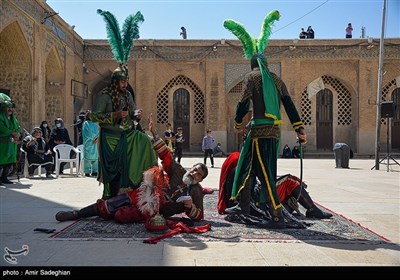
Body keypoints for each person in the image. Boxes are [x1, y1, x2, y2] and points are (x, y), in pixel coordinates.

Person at [223, 10, 307, 229]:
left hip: (258, 132)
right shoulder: (277, 80)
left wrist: (238, 122)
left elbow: (242, 103)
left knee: (265, 173)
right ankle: (242, 205)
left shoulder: (252, 77)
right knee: (247, 168)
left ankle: (276, 214)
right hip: (272, 132)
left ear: (253, 64)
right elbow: (289, 105)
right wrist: (299, 129)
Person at [55, 114, 209, 228]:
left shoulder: (196, 191)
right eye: (194, 170)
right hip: (147, 193)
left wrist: (190, 207)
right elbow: (165, 155)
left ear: (201, 180)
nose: (194, 173)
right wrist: (155, 134)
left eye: (198, 174)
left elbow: (199, 217)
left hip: (156, 211)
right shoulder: (179, 171)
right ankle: (77, 214)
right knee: (110, 204)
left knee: (121, 215)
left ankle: (115, 213)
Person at [89, 9, 156, 199]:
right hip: (110, 137)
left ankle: (140, 185)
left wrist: (136, 115)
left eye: (126, 81)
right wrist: (115, 116)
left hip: (127, 134)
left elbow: (132, 112)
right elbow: (93, 116)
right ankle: (111, 194)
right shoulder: (104, 95)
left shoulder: (127, 94)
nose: (125, 84)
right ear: (115, 81)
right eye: (122, 81)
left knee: (146, 142)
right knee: (115, 170)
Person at [218, 152, 332, 220]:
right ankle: (312, 209)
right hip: (258, 202)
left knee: (285, 182)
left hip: (253, 201)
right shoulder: (241, 171)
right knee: (289, 180)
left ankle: (289, 206)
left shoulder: (234, 173)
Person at [0, 92, 20, 185]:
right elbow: (2, 127)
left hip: (11, 143)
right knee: (1, 161)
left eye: (11, 107)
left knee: (9, 161)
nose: (10, 109)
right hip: (2, 143)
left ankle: (4, 177)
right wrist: (11, 132)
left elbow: (17, 128)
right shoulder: (0, 117)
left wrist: (17, 135)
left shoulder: (13, 118)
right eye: (8, 107)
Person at [81, 112, 99, 177]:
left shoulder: (96, 123)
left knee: (96, 158)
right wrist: (94, 138)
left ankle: (95, 171)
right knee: (87, 158)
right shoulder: (86, 123)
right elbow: (87, 133)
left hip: (96, 142)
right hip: (89, 142)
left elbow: (99, 131)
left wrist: (97, 138)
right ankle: (87, 171)